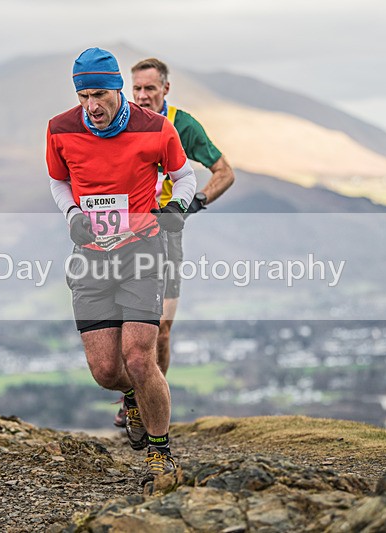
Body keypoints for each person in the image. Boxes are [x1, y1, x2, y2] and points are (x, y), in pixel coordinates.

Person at [47, 48, 197, 482]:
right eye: (82, 96)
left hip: (142, 253)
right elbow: (59, 180)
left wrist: (177, 208)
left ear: (118, 90)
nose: (91, 105)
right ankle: (132, 397)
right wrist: (73, 215)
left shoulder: (155, 128)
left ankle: (160, 451)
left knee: (137, 357)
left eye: (98, 94)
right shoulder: (60, 129)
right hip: (92, 259)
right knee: (107, 371)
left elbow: (184, 177)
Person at [112, 58, 236, 427]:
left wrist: (195, 202)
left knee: (161, 330)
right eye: (136, 89)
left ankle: (147, 407)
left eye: (150, 88)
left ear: (166, 88)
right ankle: (132, 398)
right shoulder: (122, 123)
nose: (142, 96)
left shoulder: (182, 125)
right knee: (123, 329)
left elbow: (225, 172)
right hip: (123, 236)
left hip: (167, 237)